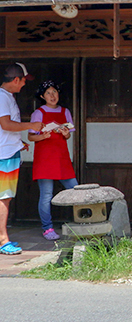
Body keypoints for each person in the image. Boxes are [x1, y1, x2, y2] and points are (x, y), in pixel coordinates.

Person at [0, 63, 44, 256]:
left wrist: (19, 143)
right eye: (24, 80)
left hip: (8, 151)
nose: (24, 84)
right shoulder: (2, 98)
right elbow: (6, 124)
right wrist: (31, 125)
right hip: (4, 155)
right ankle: (3, 240)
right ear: (16, 79)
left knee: (5, 197)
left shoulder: (6, 97)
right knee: (4, 198)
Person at [27, 80, 77, 241]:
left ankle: (82, 221)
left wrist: (65, 133)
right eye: (48, 93)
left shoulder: (65, 111)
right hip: (45, 158)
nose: (52, 95)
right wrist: (43, 136)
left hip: (62, 157)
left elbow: (69, 134)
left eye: (54, 92)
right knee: (46, 194)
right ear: (42, 96)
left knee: (75, 189)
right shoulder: (39, 113)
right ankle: (47, 228)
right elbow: (30, 136)